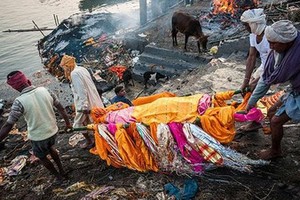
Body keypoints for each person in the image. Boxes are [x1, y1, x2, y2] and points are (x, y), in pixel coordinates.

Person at [0, 71, 72, 182]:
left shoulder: (19, 102)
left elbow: (8, 125)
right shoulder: (45, 90)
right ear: (27, 81)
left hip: (38, 137)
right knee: (51, 148)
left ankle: (58, 176)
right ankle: (62, 170)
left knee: (41, 156)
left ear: (15, 88)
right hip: (53, 130)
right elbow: (61, 108)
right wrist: (68, 123)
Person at [246, 20, 300, 160]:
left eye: (274, 43)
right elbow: (266, 79)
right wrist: (252, 101)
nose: (270, 47)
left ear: (286, 42)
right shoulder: (282, 51)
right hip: (295, 89)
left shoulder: (297, 55)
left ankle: (275, 151)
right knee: (271, 111)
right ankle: (275, 138)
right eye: (269, 42)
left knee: (276, 121)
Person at [59, 55, 104, 149]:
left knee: (78, 124)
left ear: (68, 65)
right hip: (93, 98)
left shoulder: (74, 74)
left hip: (84, 102)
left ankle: (90, 141)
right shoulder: (82, 69)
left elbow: (81, 91)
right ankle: (98, 140)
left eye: (65, 67)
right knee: (93, 122)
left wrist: (84, 106)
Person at [239, 8, 271, 132]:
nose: (245, 28)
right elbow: (251, 57)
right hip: (265, 65)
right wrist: (246, 81)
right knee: (249, 89)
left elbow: (273, 63)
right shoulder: (253, 35)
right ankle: (255, 119)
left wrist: (257, 81)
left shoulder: (269, 36)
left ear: (253, 23)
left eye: (246, 25)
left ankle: (254, 121)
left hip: (276, 66)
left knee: (255, 90)